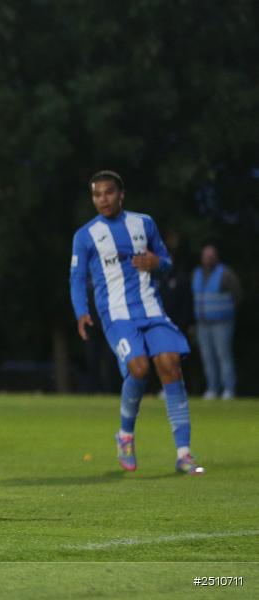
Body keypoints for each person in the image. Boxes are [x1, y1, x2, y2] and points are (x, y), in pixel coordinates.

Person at [69, 170, 203, 475]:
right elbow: (77, 278)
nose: (103, 199)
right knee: (139, 368)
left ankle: (184, 454)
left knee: (170, 364)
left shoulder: (144, 223)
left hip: (152, 310)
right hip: (116, 315)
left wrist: (158, 264)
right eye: (97, 194)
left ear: (121, 194)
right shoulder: (85, 235)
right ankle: (126, 435)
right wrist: (81, 311)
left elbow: (166, 262)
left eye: (108, 193)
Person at [192, 244, 241, 400]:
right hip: (203, 323)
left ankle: (228, 389)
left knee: (223, 356)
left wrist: (228, 312)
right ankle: (212, 388)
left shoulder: (226, 274)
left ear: (216, 257)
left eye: (211, 256)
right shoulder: (197, 274)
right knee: (207, 357)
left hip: (222, 322)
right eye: (206, 256)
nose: (209, 259)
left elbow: (237, 296)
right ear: (202, 258)